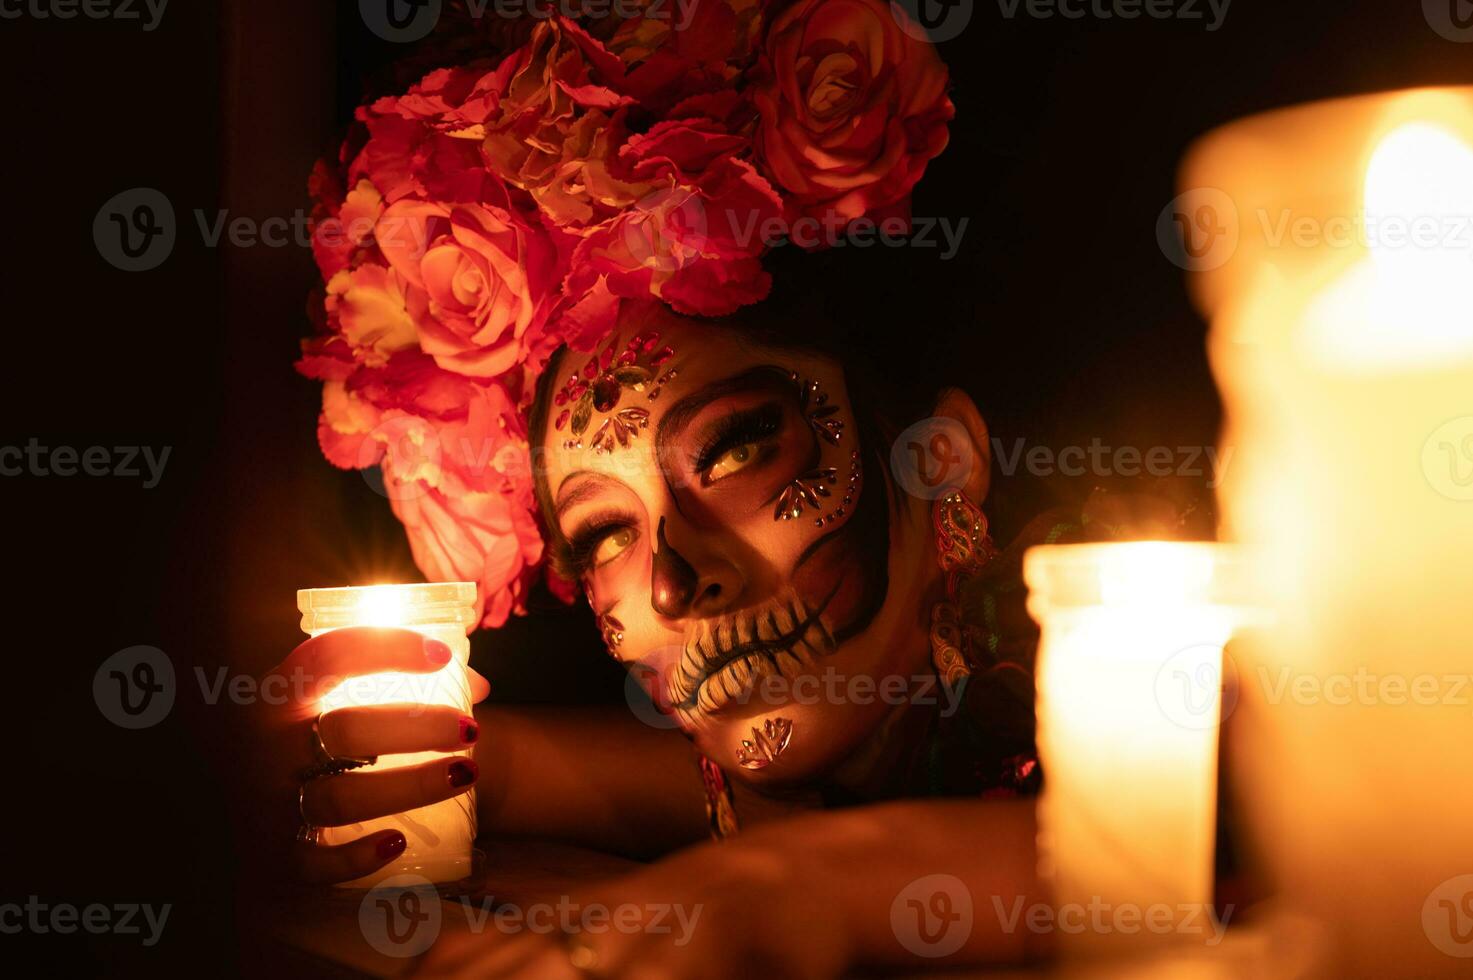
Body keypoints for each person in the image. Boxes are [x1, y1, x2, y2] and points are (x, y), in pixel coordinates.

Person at [255, 3, 1189, 973]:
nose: (669, 579)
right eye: (606, 533)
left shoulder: (1170, 653)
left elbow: (1230, 858)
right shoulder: (801, 762)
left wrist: (797, 887)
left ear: (941, 456)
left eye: (736, 451)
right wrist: (412, 760)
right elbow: (659, 784)